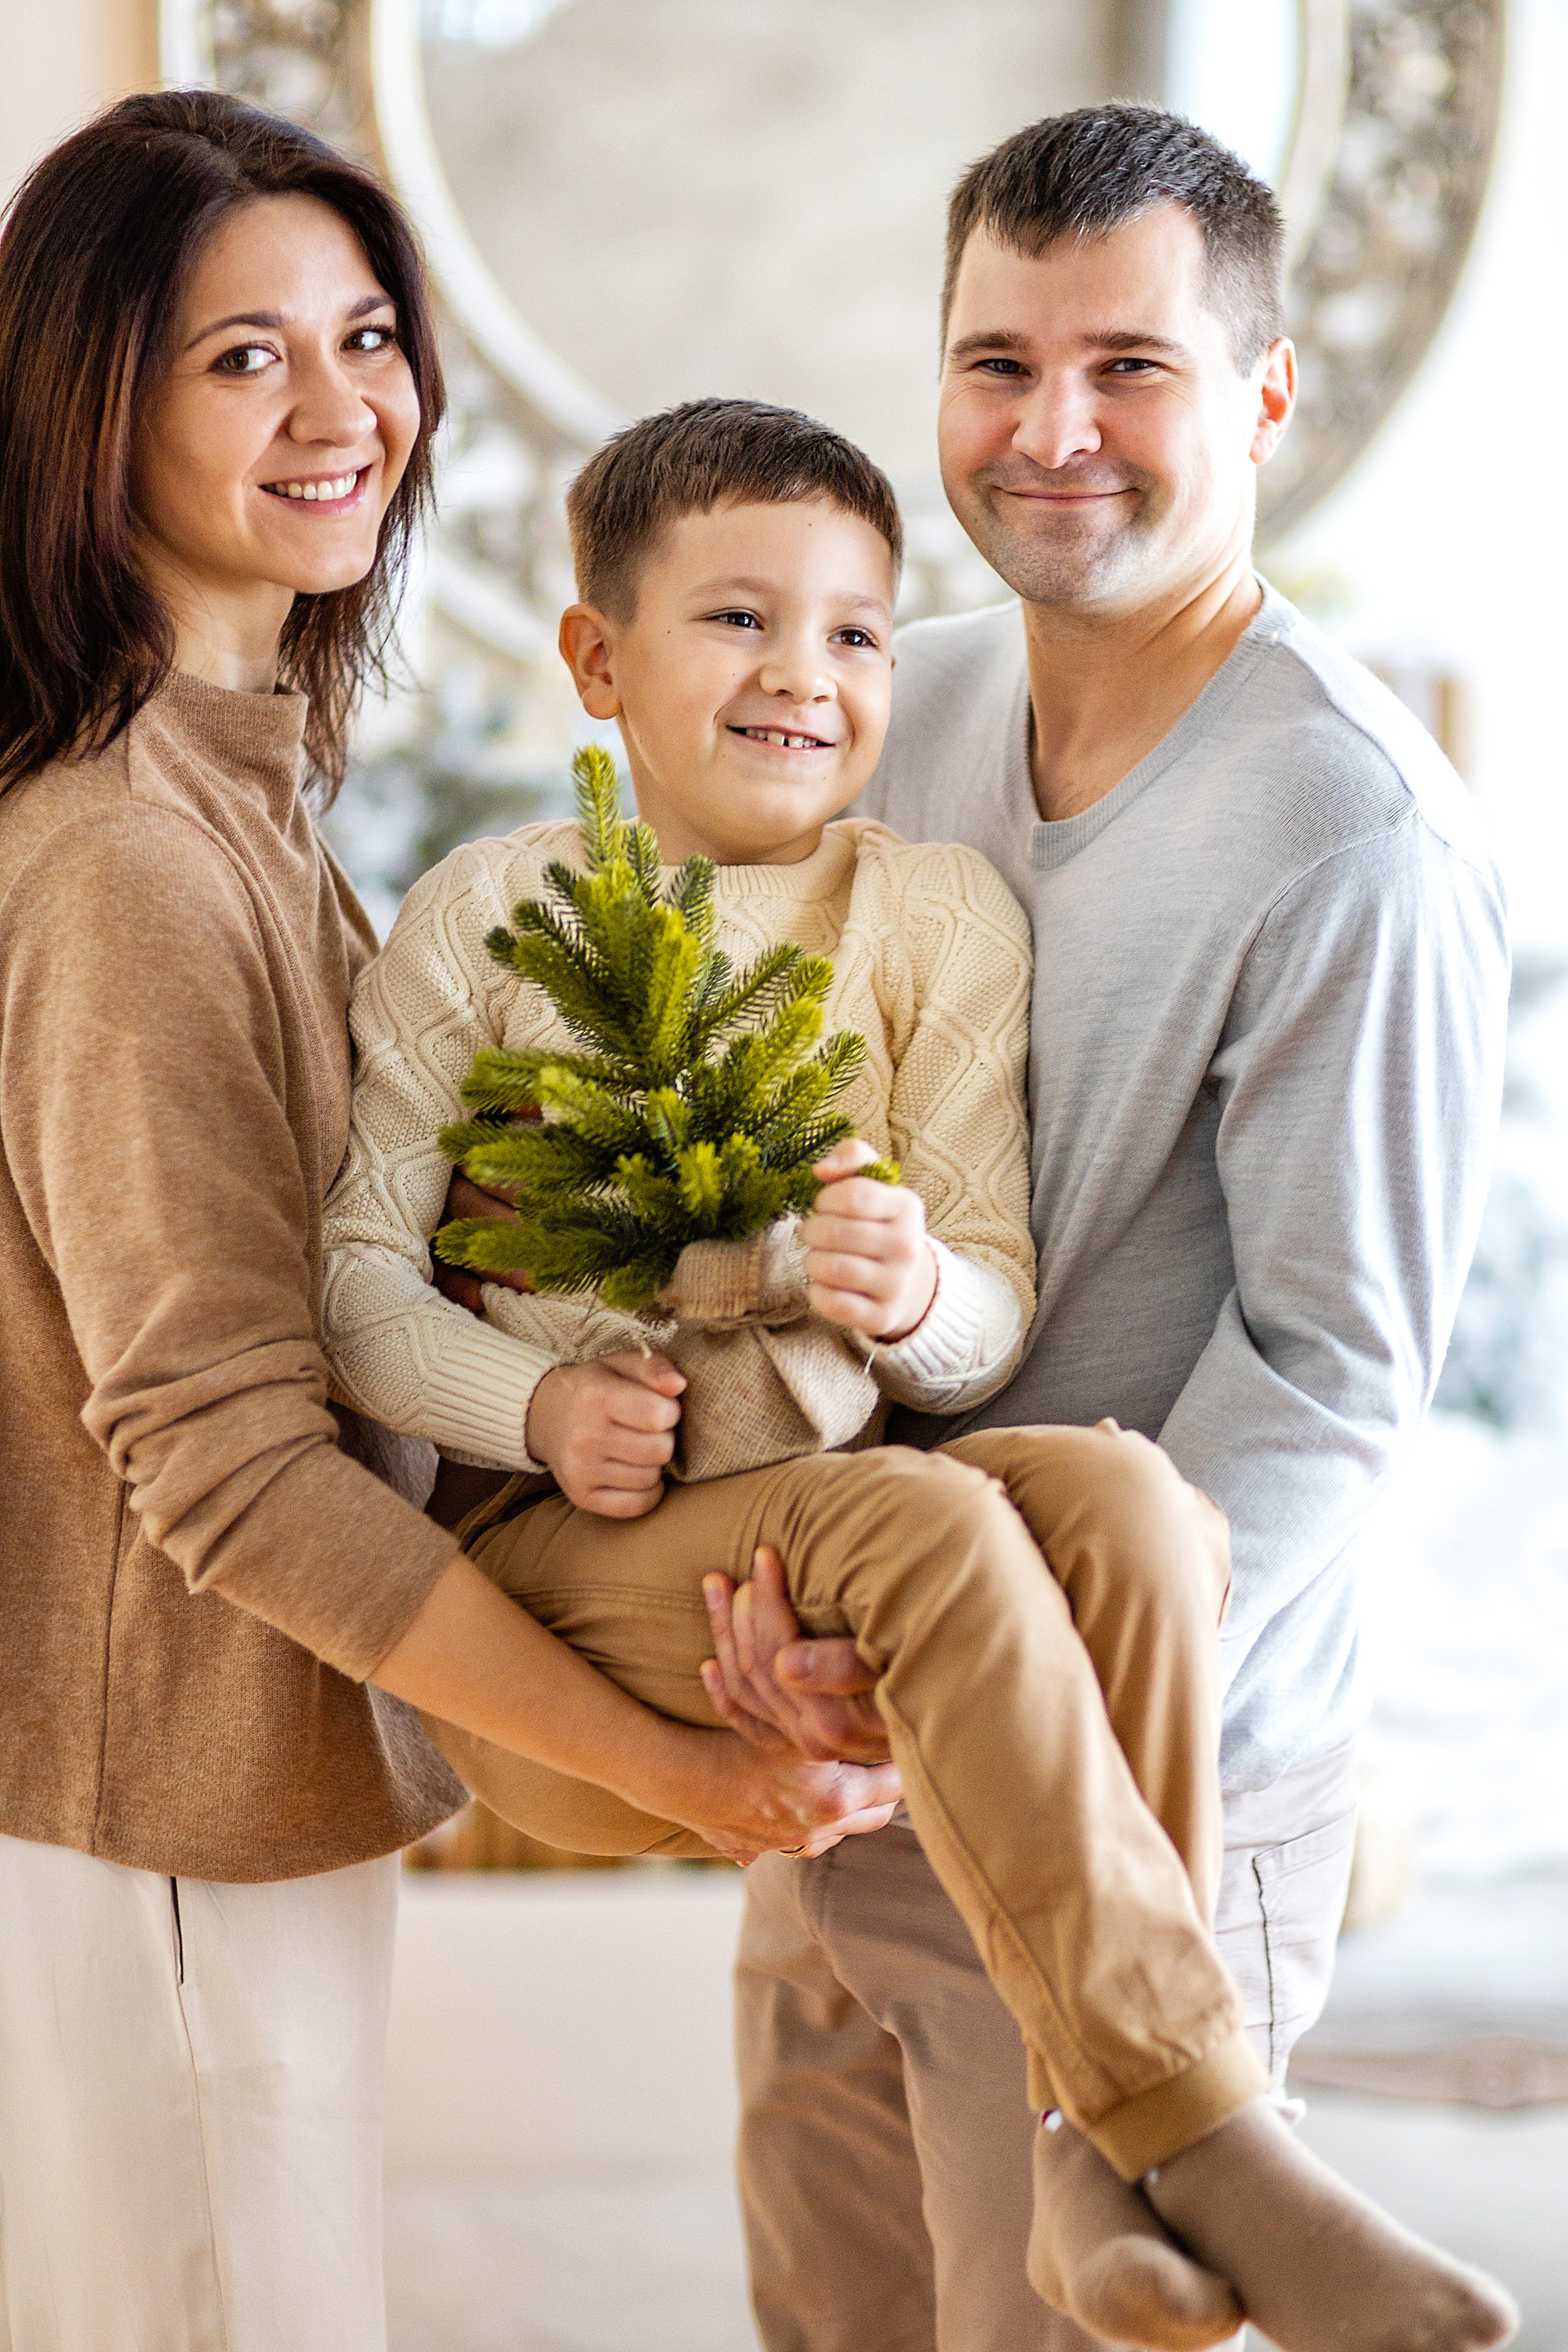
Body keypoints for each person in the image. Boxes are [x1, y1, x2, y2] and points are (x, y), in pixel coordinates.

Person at [325, 396, 1515, 2352]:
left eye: (858, 633)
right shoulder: (492, 914)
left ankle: (1086, 2138)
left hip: (832, 1486)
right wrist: (529, 1408)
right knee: (923, 1519)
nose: (805, 673)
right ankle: (1205, 2128)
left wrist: (910, 1295)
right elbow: (361, 1284)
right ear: (596, 656)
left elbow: (995, 1322)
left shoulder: (939, 911)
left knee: (1130, 1496)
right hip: (577, 1532)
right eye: (736, 623)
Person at [0, 93, 900, 2352]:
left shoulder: (245, 790)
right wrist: (682, 1770)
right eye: (241, 358)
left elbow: (367, 1313)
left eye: (369, 334)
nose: (344, 410)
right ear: (84, 399)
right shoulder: (120, 857)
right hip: (159, 1812)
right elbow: (221, 1453)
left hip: (241, 1787)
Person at [688, 102, 1511, 2352]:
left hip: (1140, 1787)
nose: (1052, 433)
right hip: (842, 1723)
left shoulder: (1350, 832)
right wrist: (769, 1605)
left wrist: (998, 1681)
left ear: (1262, 395)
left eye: (1129, 368)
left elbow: (1331, 1377)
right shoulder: (894, 702)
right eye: (996, 362)